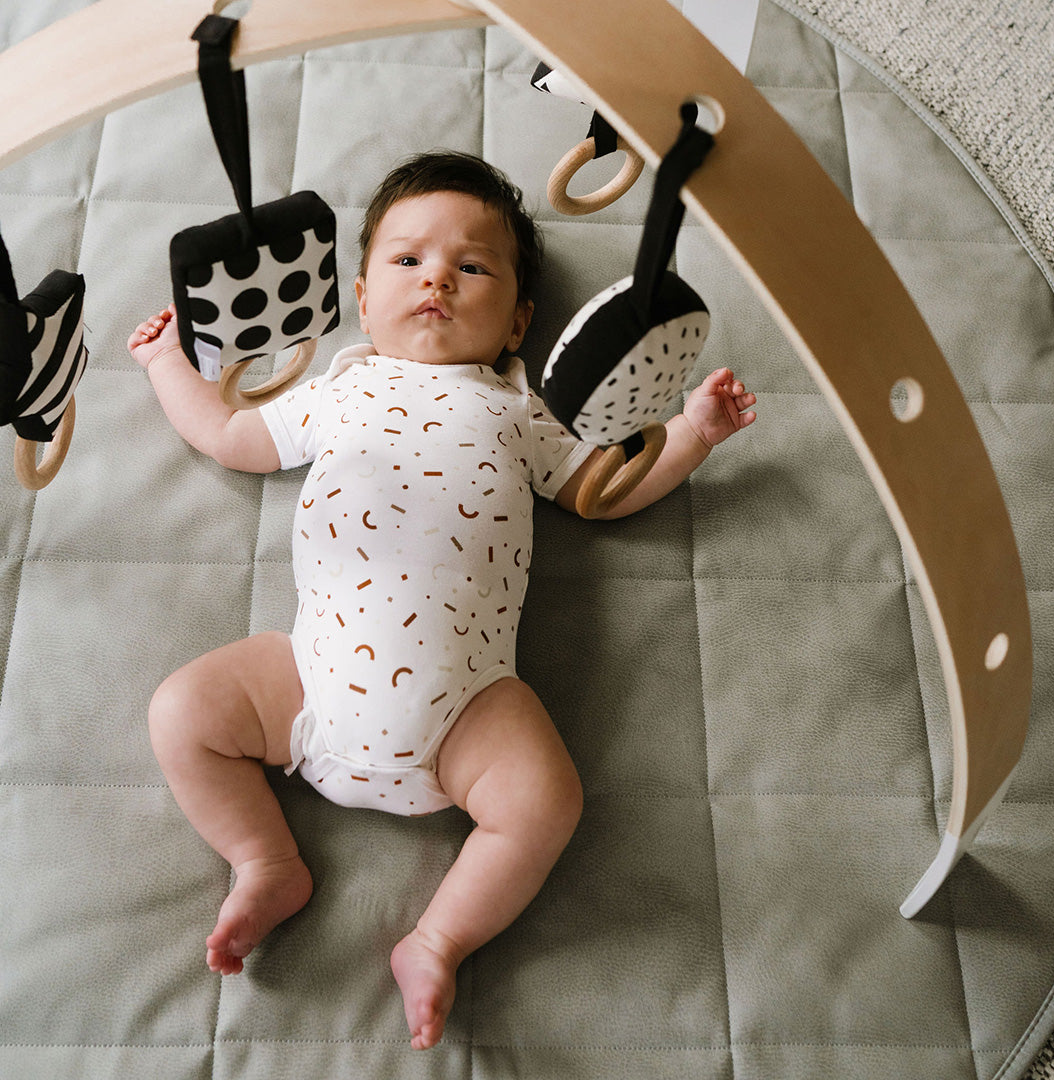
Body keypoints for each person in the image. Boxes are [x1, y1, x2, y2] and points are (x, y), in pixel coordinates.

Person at [128, 151, 756, 1051]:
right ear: (359, 293)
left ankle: (439, 938)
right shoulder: (340, 389)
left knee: (547, 801)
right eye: (408, 260)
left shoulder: (521, 409)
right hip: (308, 683)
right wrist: (163, 365)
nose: (438, 279)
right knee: (182, 711)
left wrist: (693, 434)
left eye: (473, 267)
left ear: (519, 322)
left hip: (466, 708)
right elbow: (229, 435)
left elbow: (603, 493)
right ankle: (265, 860)